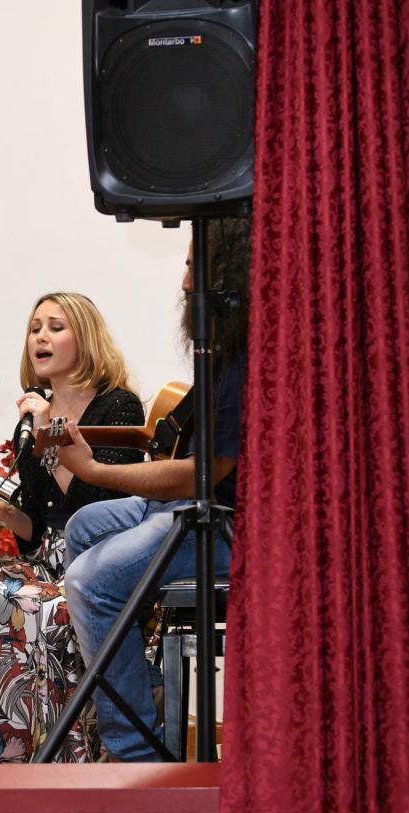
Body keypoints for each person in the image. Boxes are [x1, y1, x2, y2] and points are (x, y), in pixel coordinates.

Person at [0, 293, 144, 763]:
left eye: (56, 327)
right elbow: (36, 526)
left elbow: (97, 501)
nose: (41, 336)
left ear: (85, 338)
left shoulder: (118, 406)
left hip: (98, 556)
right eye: (35, 327)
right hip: (46, 557)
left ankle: (57, 751)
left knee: (34, 602)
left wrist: (51, 434)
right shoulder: (31, 415)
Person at [59, 218, 249, 762]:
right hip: (190, 502)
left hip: (228, 520)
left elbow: (199, 474)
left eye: (194, 267)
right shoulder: (220, 351)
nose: (185, 282)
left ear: (228, 276)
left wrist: (94, 470)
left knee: (90, 582)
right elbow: (178, 452)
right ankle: (144, 689)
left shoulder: (243, 361)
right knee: (84, 526)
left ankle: (134, 754)